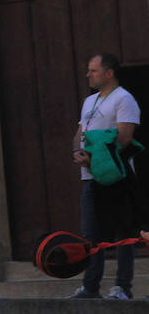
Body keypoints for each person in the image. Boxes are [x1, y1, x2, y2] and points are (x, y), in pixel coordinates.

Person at [70, 52, 141, 300]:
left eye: (93, 70)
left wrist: (97, 158)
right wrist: (76, 152)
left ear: (109, 73)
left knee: (123, 232)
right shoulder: (89, 101)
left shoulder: (124, 99)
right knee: (91, 234)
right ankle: (90, 287)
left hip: (115, 176)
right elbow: (80, 132)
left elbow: (124, 137)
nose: (88, 75)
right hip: (90, 177)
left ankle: (122, 288)